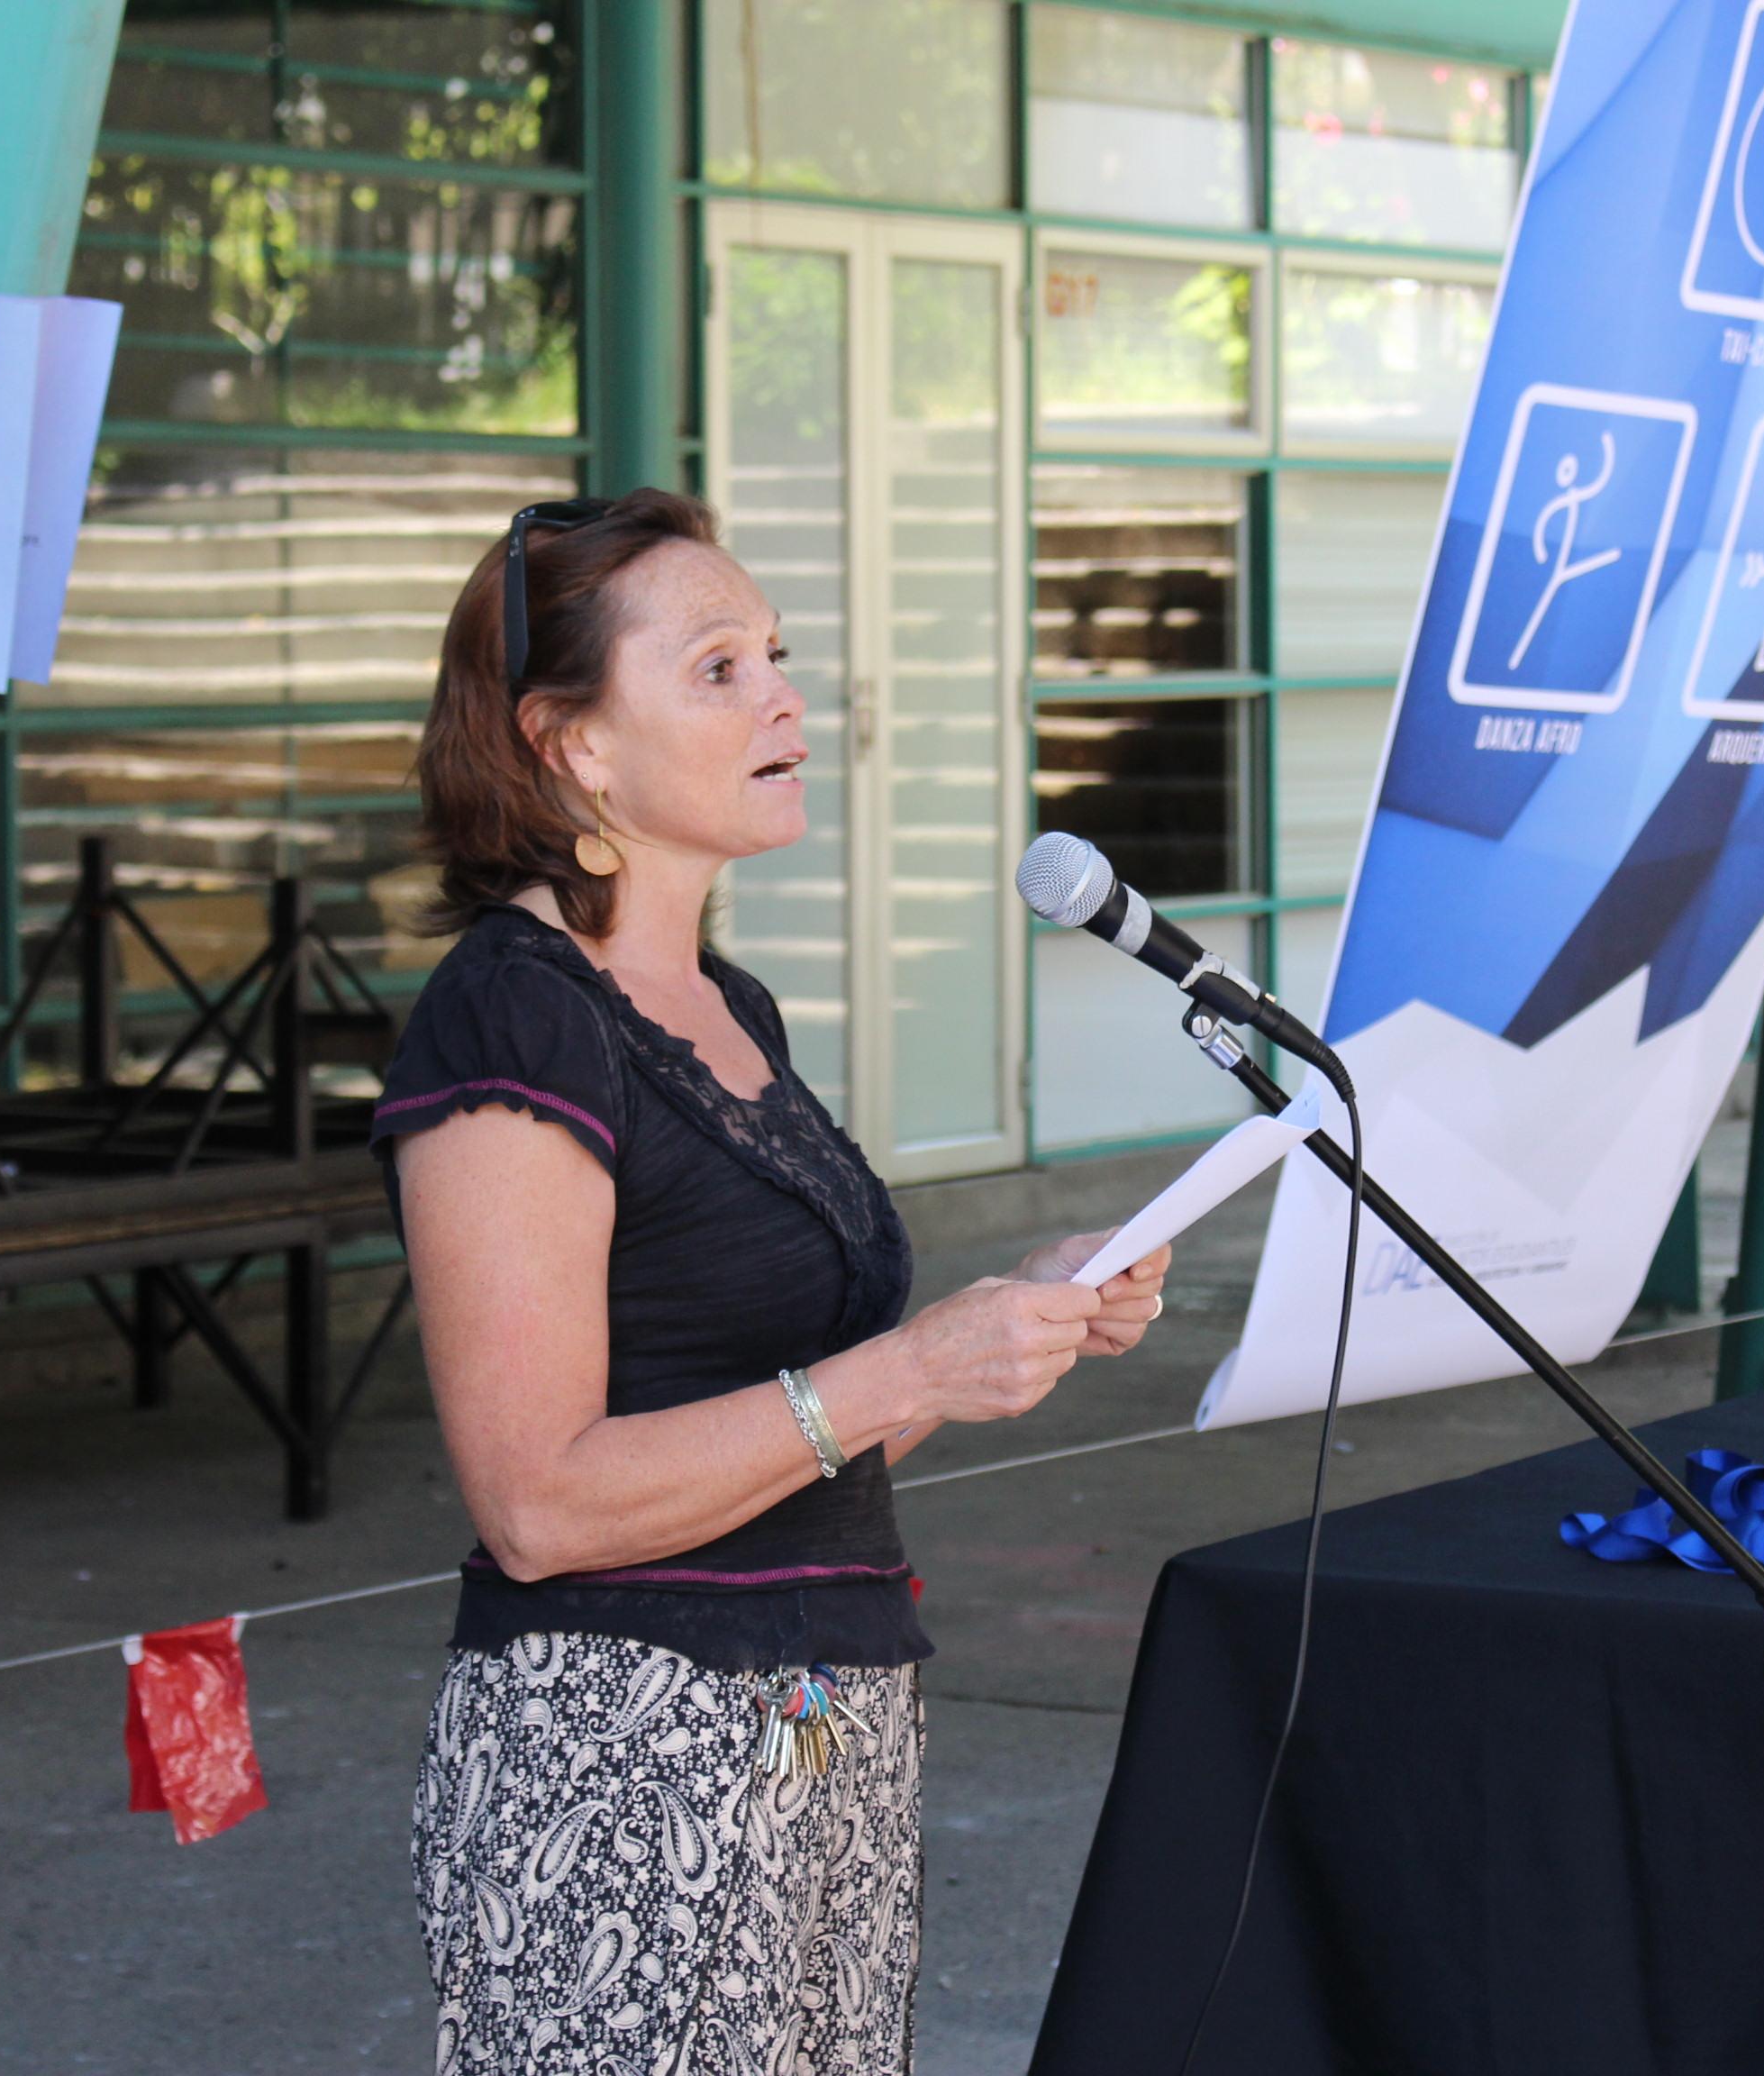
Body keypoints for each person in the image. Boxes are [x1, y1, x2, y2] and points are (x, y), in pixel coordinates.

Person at [373, 488, 1168, 2072]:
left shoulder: (726, 1003)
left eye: (780, 656)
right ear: (571, 743)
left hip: (828, 1727)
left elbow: (792, 1434)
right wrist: (906, 1371)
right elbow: (540, 1502)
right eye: (718, 668)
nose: (788, 697)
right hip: (627, 1756)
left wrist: (1009, 1323)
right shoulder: (515, 1019)